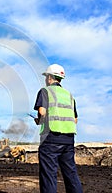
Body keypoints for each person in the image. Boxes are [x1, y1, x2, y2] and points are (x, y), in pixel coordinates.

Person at [33, 64, 83, 193]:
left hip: (50, 138)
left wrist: (39, 120)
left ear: (49, 77)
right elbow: (75, 119)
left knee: (49, 176)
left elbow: (42, 112)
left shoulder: (45, 91)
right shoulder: (69, 96)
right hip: (68, 139)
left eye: (46, 77)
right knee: (71, 174)